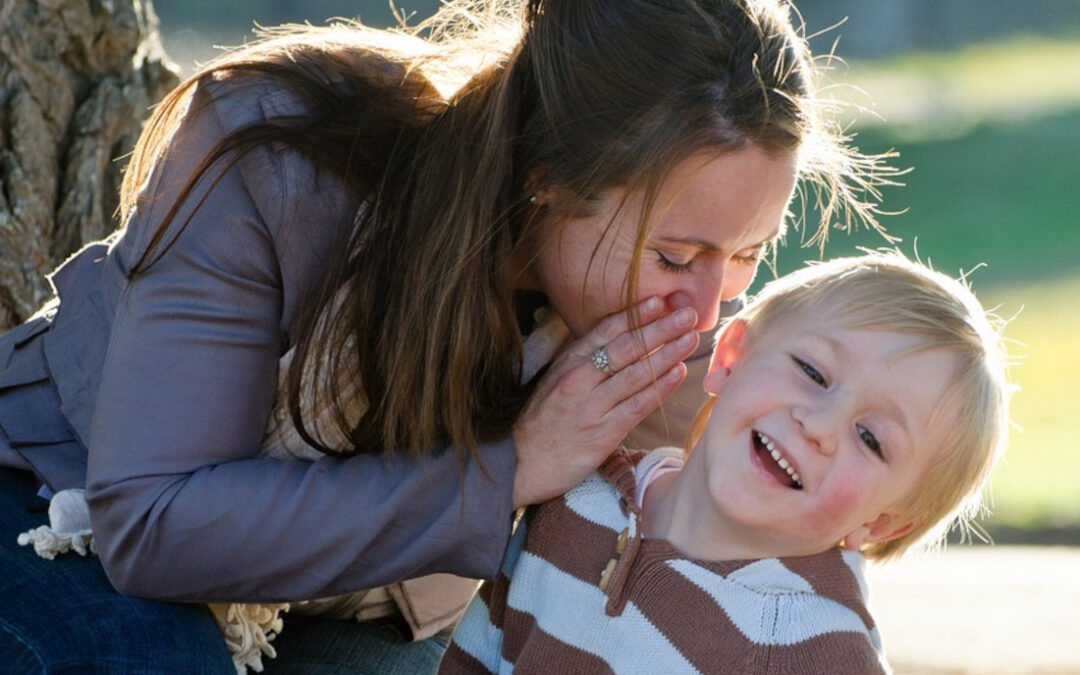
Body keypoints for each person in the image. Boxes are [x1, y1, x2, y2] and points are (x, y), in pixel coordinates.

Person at [0, 0, 891, 672]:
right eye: (675, 254)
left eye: (745, 256)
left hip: (351, 606)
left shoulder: (670, 322)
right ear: (547, 180)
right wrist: (511, 468)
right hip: (59, 506)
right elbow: (152, 522)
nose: (706, 309)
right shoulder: (281, 155)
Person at [440, 251, 1012, 675]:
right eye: (813, 373)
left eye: (870, 438)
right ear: (731, 357)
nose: (818, 426)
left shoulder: (818, 649)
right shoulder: (580, 495)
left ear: (880, 523)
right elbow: (480, 656)